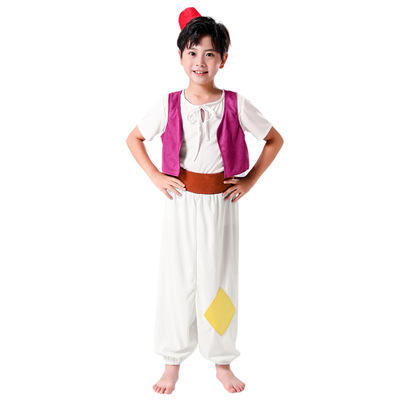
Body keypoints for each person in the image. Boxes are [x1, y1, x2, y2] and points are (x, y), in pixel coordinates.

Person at [126, 7, 284, 394]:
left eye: (210, 53)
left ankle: (222, 360)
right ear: (180, 56)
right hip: (180, 201)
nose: (200, 61)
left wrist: (249, 181)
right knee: (177, 278)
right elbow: (135, 138)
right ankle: (172, 361)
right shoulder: (169, 104)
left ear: (223, 59)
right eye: (193, 52)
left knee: (219, 280)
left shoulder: (235, 104)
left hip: (220, 205)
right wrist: (155, 176)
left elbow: (273, 139)